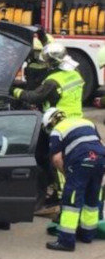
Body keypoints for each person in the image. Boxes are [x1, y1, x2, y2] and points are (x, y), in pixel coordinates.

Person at [43, 108, 105, 251]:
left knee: (71, 201)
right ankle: (87, 235)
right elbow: (100, 143)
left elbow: (57, 159)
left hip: (81, 162)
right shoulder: (86, 122)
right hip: (100, 160)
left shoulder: (57, 130)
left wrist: (67, 174)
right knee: (92, 199)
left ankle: (66, 241)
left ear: (51, 122)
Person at [12, 42, 84, 119]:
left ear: (53, 62)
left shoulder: (52, 81)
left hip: (59, 120)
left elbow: (32, 97)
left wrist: (13, 90)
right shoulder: (76, 73)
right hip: (77, 118)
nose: (46, 64)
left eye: (47, 61)